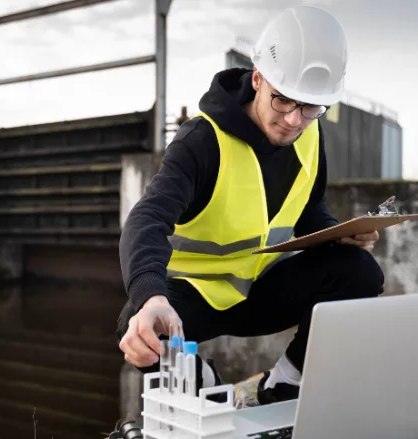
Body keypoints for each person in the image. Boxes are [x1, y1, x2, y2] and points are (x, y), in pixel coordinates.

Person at [116, 5, 385, 405]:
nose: (294, 120)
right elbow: (148, 218)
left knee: (360, 272)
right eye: (283, 101)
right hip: (198, 297)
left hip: (262, 291)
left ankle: (285, 385)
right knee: (137, 325)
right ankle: (210, 390)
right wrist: (151, 296)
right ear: (258, 78)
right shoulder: (201, 142)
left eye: (310, 107)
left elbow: (308, 209)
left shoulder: (310, 135)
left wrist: (337, 236)